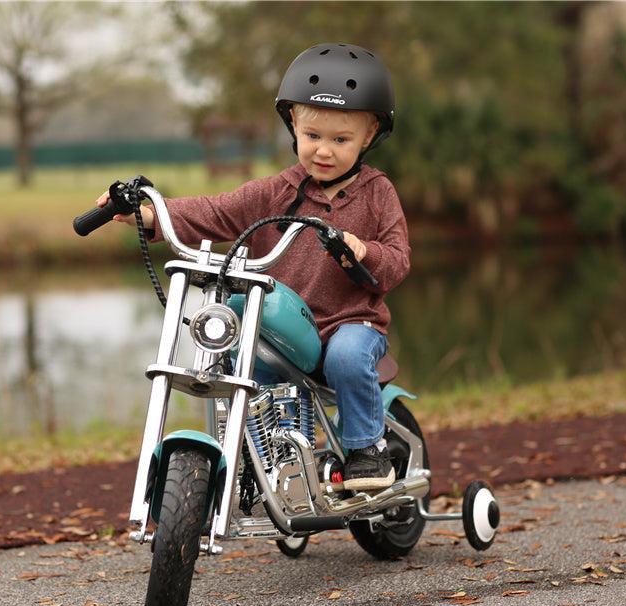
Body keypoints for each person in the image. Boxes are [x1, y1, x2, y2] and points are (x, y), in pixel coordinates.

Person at [97, 43, 410, 491]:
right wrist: (150, 214)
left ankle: (366, 450)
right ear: (293, 127)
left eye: (340, 140)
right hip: (282, 325)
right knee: (243, 356)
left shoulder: (378, 193)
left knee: (345, 355)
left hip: (351, 322)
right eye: (312, 136)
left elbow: (398, 260)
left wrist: (366, 251)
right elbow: (216, 211)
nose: (323, 151)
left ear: (369, 135)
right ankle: (268, 455)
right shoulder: (276, 191)